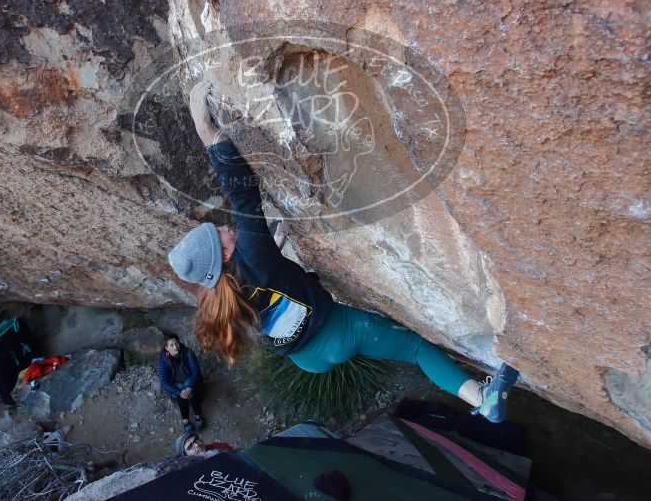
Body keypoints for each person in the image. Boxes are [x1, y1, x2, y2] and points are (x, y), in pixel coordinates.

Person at [167, 79, 519, 423]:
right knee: (416, 348)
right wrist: (205, 131)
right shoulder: (252, 254)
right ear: (223, 257)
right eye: (220, 235)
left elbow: (263, 286)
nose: (225, 228)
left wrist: (276, 260)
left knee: (393, 344)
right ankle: (483, 401)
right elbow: (242, 193)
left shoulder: (221, 290)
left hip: (307, 358)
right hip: (335, 331)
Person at [157, 333, 206, 433]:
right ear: (166, 348)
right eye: (171, 345)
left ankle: (198, 415)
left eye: (177, 343)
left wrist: (189, 388)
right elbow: (164, 382)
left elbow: (196, 372)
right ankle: (186, 420)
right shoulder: (162, 360)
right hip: (176, 383)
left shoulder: (187, 353)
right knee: (181, 392)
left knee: (189, 387)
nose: (175, 347)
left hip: (189, 379)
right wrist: (179, 392)